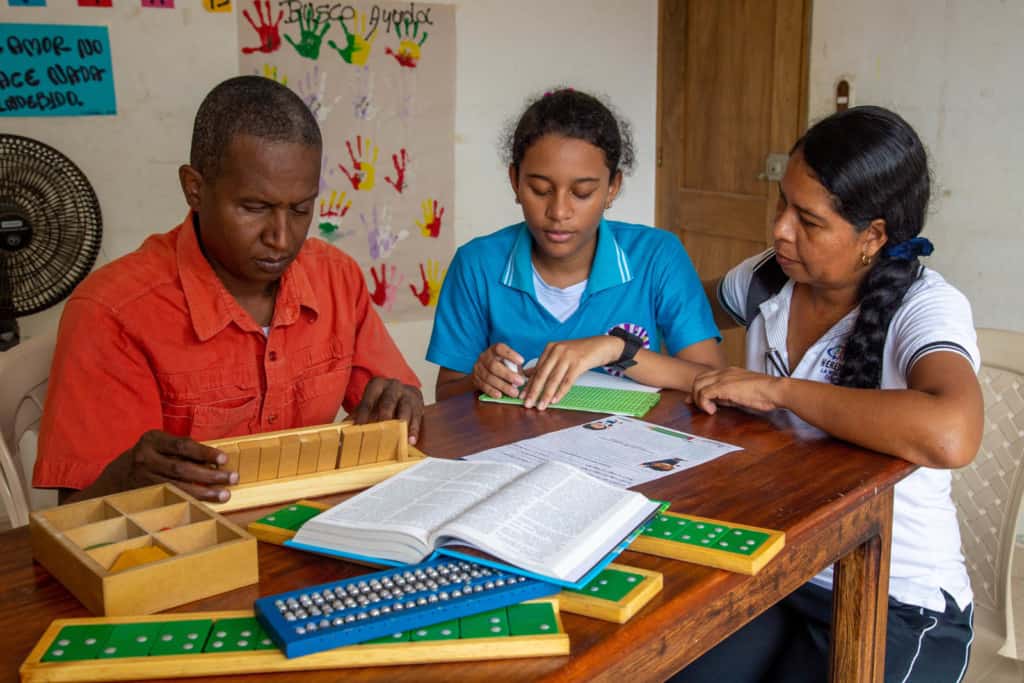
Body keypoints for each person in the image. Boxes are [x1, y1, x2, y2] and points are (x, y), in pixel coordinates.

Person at [672, 106, 981, 682]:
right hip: (785, 569)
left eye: (808, 221)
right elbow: (673, 312)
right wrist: (603, 343)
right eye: (781, 204)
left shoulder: (924, 307)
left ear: (874, 236)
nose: (781, 230)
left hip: (901, 602)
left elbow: (952, 431)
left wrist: (782, 390)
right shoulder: (769, 279)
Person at [33, 76, 423, 505]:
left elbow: (394, 405)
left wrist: (401, 403)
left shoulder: (337, 280)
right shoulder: (113, 313)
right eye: (255, 208)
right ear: (194, 189)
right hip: (187, 551)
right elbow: (79, 512)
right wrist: (127, 478)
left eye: (301, 209)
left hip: (312, 530)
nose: (281, 237)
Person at [427, 88, 723, 407]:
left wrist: (614, 349)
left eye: (581, 193)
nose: (559, 212)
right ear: (515, 181)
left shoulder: (657, 256)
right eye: (540, 190)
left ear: (612, 189)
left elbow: (715, 381)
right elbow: (446, 395)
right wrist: (480, 378)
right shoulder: (477, 265)